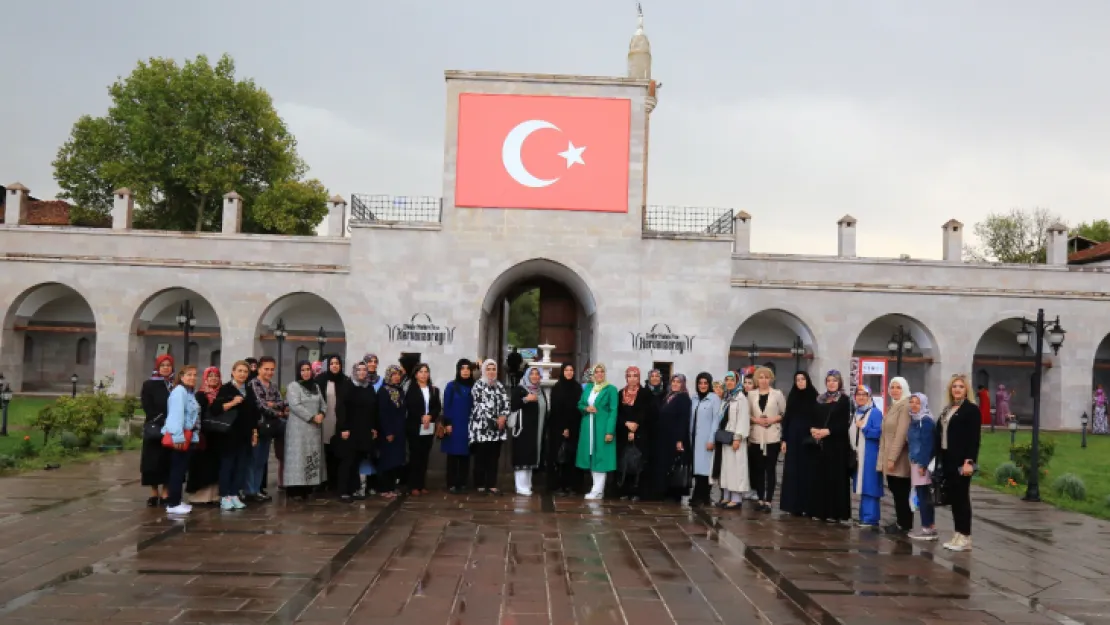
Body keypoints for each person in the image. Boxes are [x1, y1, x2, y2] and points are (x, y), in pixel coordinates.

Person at [937, 373, 982, 552]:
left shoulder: (971, 410)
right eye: (954, 386)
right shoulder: (949, 409)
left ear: (966, 390)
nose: (957, 389)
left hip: (962, 460)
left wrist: (969, 461)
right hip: (948, 458)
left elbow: (974, 439)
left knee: (962, 497)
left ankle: (965, 536)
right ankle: (958, 533)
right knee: (954, 497)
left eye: (961, 387)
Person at [209, 360, 255, 511]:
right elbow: (215, 409)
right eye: (239, 371)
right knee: (227, 465)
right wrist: (232, 403)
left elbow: (253, 413)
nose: (242, 374)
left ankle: (235, 494)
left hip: (244, 434)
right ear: (233, 372)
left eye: (245, 372)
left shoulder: (249, 390)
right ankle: (224, 496)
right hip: (228, 435)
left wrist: (254, 432)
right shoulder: (226, 389)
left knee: (241, 465)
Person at [808, 370, 853, 524]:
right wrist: (813, 429)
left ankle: (835, 513)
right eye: (829, 380)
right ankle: (820, 511)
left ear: (839, 382)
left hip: (837, 445)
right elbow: (813, 417)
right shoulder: (820, 399)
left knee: (836, 478)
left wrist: (829, 431)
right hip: (821, 444)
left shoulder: (844, 400)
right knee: (820, 478)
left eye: (834, 380)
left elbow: (846, 422)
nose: (831, 383)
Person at [284, 361, 328, 500]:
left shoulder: (315, 386)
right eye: (303, 370)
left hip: (314, 430)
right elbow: (295, 406)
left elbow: (323, 404)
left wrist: (321, 414)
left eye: (308, 369)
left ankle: (308, 487)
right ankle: (295, 490)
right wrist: (312, 417)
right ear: (298, 371)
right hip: (298, 429)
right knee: (298, 457)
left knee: (311, 456)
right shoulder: (293, 386)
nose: (306, 372)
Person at [645, 375, 692, 502]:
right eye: (673, 381)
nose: (675, 384)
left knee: (674, 465)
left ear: (683, 384)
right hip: (664, 437)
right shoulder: (669, 396)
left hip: (674, 437)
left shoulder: (683, 398)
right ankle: (664, 491)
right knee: (665, 464)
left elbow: (683, 420)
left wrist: (680, 439)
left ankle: (674, 493)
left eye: (678, 382)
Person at [163, 365, 201, 516]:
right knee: (177, 470)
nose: (192, 377)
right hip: (181, 436)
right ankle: (173, 503)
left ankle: (177, 500)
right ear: (182, 377)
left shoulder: (189, 392)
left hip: (189, 436)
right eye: (189, 374)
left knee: (181, 469)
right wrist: (178, 436)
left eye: (194, 374)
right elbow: (176, 415)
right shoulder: (179, 392)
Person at [247, 357, 286, 502]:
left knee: (262, 459)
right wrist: (278, 411)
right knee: (254, 459)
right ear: (259, 369)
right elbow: (261, 405)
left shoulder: (273, 386)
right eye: (266, 369)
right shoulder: (254, 384)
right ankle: (250, 490)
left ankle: (257, 489)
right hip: (257, 427)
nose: (269, 372)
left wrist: (275, 406)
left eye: (272, 369)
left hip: (270, 427)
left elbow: (282, 402)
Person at [747, 367, 786, 513]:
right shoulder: (751, 395)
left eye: (766, 377)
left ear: (771, 379)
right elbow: (748, 414)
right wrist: (756, 420)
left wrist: (772, 419)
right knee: (758, 469)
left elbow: (783, 412)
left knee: (770, 469)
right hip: (756, 436)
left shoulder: (777, 394)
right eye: (761, 377)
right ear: (757, 379)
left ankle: (768, 500)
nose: (763, 380)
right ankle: (760, 498)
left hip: (772, 437)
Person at [577, 363, 618, 500]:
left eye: (602, 372)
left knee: (601, 457)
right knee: (591, 456)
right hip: (588, 426)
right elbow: (581, 404)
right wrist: (586, 408)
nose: (599, 374)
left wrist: (609, 431)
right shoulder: (589, 387)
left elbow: (613, 411)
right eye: (597, 372)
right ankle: (596, 488)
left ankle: (597, 490)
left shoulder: (611, 389)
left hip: (601, 427)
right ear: (593, 375)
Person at [779, 371, 817, 517]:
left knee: (807, 472)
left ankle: (807, 505)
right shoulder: (793, 396)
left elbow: (818, 417)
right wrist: (784, 439)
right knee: (792, 471)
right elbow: (787, 418)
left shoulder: (814, 396)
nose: (800, 382)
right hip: (793, 438)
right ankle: (793, 505)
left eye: (803, 379)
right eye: (797, 379)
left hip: (807, 439)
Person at [338, 361, 378, 500]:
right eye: (359, 370)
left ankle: (354, 489)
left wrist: (373, 427)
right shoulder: (348, 386)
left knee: (358, 460)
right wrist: (343, 427)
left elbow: (374, 409)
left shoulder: (369, 388)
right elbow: (341, 408)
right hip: (350, 429)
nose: (362, 372)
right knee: (348, 460)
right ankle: (343, 490)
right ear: (354, 371)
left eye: (364, 370)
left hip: (365, 429)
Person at [470, 360, 511, 495]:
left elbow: (506, 403)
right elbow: (481, 405)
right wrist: (495, 418)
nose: (491, 371)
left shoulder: (499, 386)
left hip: (497, 430)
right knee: (481, 456)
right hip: (482, 427)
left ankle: (491, 484)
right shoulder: (478, 385)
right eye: (488, 369)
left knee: (494, 457)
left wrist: (503, 416)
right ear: (483, 370)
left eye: (494, 369)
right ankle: (480, 484)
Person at [140, 354, 175, 507]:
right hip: (155, 426)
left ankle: (165, 492)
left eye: (168, 365)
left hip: (172, 428)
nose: (166, 368)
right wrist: (160, 420)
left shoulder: (175, 385)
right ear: (158, 367)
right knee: (152, 461)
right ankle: (154, 492)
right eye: (163, 365)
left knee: (168, 460)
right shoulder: (149, 384)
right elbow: (147, 406)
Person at [880, 376, 913, 535]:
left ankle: (904, 524)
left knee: (901, 492)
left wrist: (892, 458)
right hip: (890, 457)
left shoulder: (905, 406)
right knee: (896, 491)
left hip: (900, 459)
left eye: (898, 387)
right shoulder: (893, 406)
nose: (894, 390)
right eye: (892, 387)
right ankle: (901, 521)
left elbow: (901, 434)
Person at [614, 366, 653, 500]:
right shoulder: (620, 394)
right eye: (629, 376)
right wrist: (626, 424)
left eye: (635, 376)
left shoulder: (645, 393)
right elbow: (617, 413)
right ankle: (623, 490)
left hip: (640, 433)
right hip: (623, 433)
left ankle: (637, 492)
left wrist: (635, 427)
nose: (632, 379)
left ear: (639, 378)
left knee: (638, 463)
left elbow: (647, 412)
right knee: (624, 462)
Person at [187, 366, 223, 505]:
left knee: (214, 466)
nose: (213, 378)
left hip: (217, 435)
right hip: (203, 435)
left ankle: (213, 495)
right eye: (210, 376)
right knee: (201, 465)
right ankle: (199, 496)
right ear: (205, 378)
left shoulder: (221, 394)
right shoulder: (200, 395)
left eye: (216, 376)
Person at [714, 371, 750, 509]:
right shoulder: (727, 397)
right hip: (725, 437)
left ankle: (736, 498)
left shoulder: (740, 398)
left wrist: (738, 437)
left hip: (735, 438)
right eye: (727, 380)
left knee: (736, 468)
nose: (729, 382)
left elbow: (742, 419)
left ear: (736, 382)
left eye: (732, 380)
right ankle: (726, 496)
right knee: (726, 468)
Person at [510, 366, 548, 496]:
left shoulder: (540, 391)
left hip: (536, 430)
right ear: (527, 376)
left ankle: (527, 484)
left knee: (531, 456)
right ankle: (520, 486)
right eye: (532, 374)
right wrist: (526, 399)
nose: (535, 376)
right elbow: (513, 405)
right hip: (522, 430)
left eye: (537, 374)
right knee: (522, 456)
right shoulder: (520, 389)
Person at [849, 384, 883, 528]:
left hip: (870, 454)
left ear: (869, 397)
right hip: (859, 454)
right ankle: (864, 516)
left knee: (870, 485)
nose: (861, 397)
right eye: (858, 394)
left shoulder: (874, 412)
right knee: (863, 485)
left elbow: (878, 433)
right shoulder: (856, 412)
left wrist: (864, 427)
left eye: (864, 395)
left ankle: (871, 518)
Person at [404, 363, 440, 496]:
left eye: (426, 372)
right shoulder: (411, 389)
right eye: (421, 372)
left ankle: (421, 484)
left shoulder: (433, 389)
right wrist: (421, 416)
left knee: (425, 456)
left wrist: (430, 415)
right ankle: (413, 485)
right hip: (414, 426)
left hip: (428, 427)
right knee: (415, 456)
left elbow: (437, 406)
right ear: (416, 374)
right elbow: (409, 406)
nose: (424, 374)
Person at [548, 363, 582, 496]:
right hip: (558, 428)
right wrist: (563, 428)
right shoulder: (557, 388)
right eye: (566, 370)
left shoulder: (577, 387)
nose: (569, 372)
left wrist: (571, 427)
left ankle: (571, 485)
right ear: (562, 372)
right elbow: (556, 409)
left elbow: (578, 407)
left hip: (575, 427)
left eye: (571, 370)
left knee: (571, 457)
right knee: (559, 456)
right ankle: (557, 485)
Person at [441, 359, 475, 493]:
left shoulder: (474, 386)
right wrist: (448, 423)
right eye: (463, 368)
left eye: (468, 368)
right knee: (453, 455)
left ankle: (463, 483)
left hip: (468, 425)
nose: (466, 371)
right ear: (458, 370)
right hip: (454, 425)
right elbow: (446, 405)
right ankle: (452, 483)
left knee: (465, 455)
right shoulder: (451, 386)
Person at [907, 392, 938, 541]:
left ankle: (927, 528)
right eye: (911, 402)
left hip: (921, 464)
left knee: (923, 495)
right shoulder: (914, 419)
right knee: (922, 494)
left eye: (917, 402)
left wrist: (923, 464)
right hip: (915, 461)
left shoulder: (925, 421)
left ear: (924, 404)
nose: (913, 405)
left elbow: (927, 444)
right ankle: (930, 526)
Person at [316, 355, 348, 492]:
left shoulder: (345, 381)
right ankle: (322, 481)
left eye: (337, 363)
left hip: (338, 420)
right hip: (323, 420)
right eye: (332, 363)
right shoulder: (320, 380)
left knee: (337, 450)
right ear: (328, 365)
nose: (335, 366)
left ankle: (334, 481)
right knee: (324, 450)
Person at [689, 372, 721, 507]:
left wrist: (711, 439)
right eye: (700, 383)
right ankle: (700, 496)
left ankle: (702, 496)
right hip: (694, 439)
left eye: (705, 383)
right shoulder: (694, 398)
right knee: (696, 469)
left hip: (706, 438)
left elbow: (716, 420)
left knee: (706, 470)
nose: (702, 386)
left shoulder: (714, 398)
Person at [375, 365, 407, 499]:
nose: (396, 377)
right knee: (387, 461)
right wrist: (388, 432)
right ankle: (384, 488)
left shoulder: (399, 391)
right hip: (388, 432)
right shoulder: (383, 391)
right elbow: (383, 413)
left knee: (396, 461)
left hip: (399, 431)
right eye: (393, 374)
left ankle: (392, 487)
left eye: (398, 374)